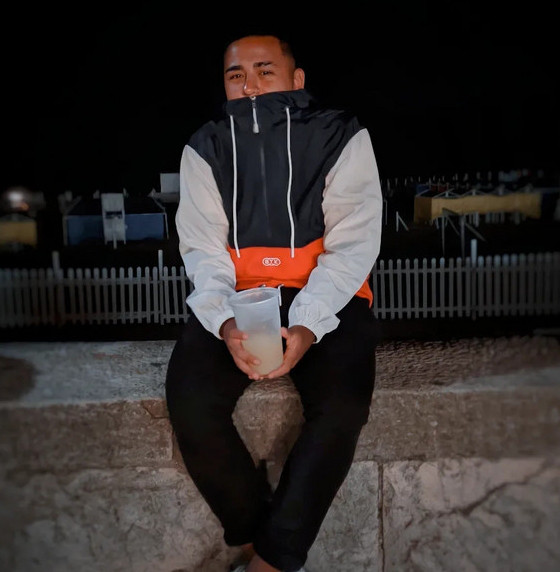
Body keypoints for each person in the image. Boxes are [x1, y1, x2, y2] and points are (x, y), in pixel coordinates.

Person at [165, 33, 383, 572]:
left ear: (296, 78)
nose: (250, 84)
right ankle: (252, 533)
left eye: (265, 70)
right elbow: (202, 248)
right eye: (236, 74)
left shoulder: (341, 134)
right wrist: (223, 321)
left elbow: (353, 242)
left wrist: (307, 324)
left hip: (327, 294)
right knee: (191, 402)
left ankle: (272, 559)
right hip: (238, 297)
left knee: (343, 405)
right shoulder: (205, 146)